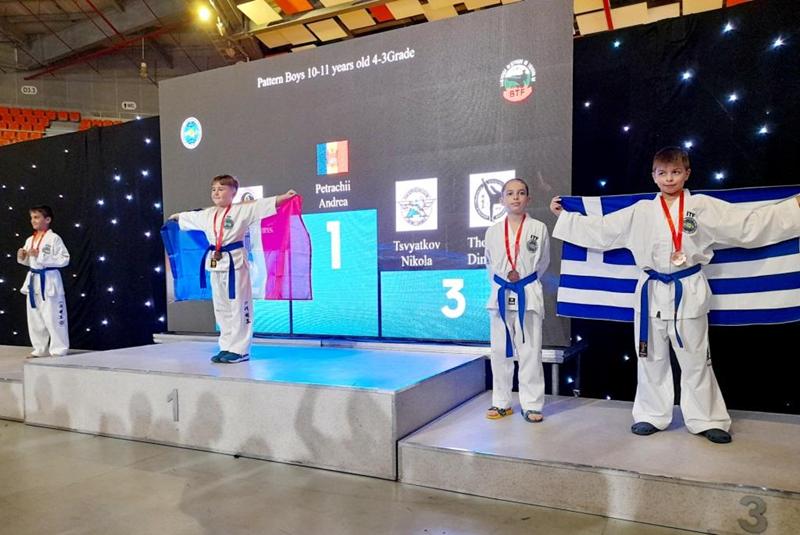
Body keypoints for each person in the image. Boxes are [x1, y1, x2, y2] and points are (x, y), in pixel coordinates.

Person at [550, 147, 800, 443]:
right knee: (650, 358)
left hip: (688, 289)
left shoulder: (702, 207)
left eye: (676, 172)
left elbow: (747, 226)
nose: (669, 178)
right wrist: (566, 217)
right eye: (663, 173)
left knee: (697, 360)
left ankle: (708, 419)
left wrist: (793, 209)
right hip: (651, 291)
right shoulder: (641, 211)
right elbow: (602, 230)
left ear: (687, 174)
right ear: (653, 176)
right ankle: (651, 414)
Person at [168, 174, 296, 363]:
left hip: (235, 264)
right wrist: (177, 217)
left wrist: (284, 197)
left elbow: (263, 205)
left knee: (239, 306)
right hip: (216, 264)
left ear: (233, 192)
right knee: (221, 308)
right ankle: (226, 346)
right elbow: (189, 217)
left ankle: (240, 349)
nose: (216, 193)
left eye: (221, 189)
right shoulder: (208, 214)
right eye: (213, 189)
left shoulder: (241, 210)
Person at [485, 178, 551, 423]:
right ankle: (501, 402)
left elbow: (543, 262)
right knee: (499, 351)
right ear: (502, 199)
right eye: (510, 193)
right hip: (501, 296)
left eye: (521, 193)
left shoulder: (539, 228)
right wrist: (506, 282)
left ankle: (532, 404)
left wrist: (524, 281)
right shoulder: (492, 231)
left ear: (528, 199)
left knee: (530, 351)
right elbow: (490, 265)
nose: (515, 197)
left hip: (528, 294)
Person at [17, 205, 70, 357]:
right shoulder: (30, 239)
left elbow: (64, 259)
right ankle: (39, 349)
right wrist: (22, 256)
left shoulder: (54, 239)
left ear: (47, 220)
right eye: (32, 217)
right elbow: (29, 261)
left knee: (53, 317)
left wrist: (40, 255)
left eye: (36, 217)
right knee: (35, 318)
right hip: (33, 281)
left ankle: (59, 349)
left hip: (49, 280)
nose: (33, 220)